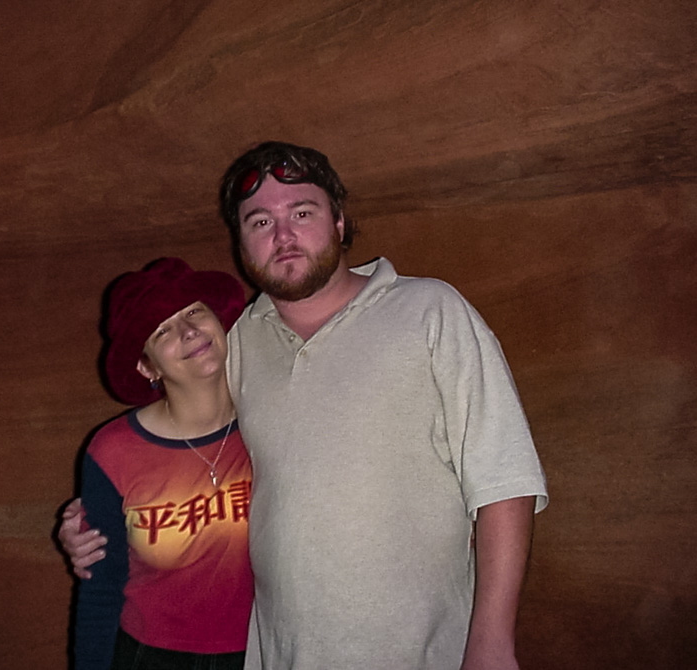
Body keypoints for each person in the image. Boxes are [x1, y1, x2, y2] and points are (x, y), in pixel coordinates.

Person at [63, 142, 548, 670]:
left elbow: (504, 480)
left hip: (426, 654)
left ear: (339, 222)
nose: (284, 235)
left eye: (301, 212)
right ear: (241, 245)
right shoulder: (238, 343)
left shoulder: (431, 311)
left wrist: (493, 640)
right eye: (260, 222)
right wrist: (95, 522)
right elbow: (183, 439)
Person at [70, 257, 252, 670]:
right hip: (150, 657)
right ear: (146, 365)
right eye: (163, 329)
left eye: (193, 312)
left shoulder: (273, 421)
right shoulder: (112, 451)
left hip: (266, 650)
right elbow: (101, 589)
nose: (188, 331)